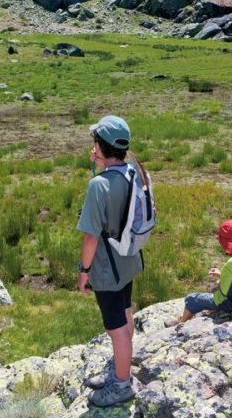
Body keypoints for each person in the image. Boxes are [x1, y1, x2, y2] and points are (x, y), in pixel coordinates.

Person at [77, 115, 145, 407]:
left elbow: (91, 237)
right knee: (125, 312)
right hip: (129, 259)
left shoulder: (98, 186)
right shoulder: (132, 172)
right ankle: (121, 367)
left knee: (115, 326)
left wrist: (84, 271)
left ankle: (121, 385)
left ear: (102, 146)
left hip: (107, 267)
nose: (92, 149)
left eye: (94, 144)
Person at [170, 219, 232, 325]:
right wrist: (222, 274)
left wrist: (218, 284)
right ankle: (207, 312)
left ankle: (182, 323)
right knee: (213, 290)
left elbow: (222, 296)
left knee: (191, 299)